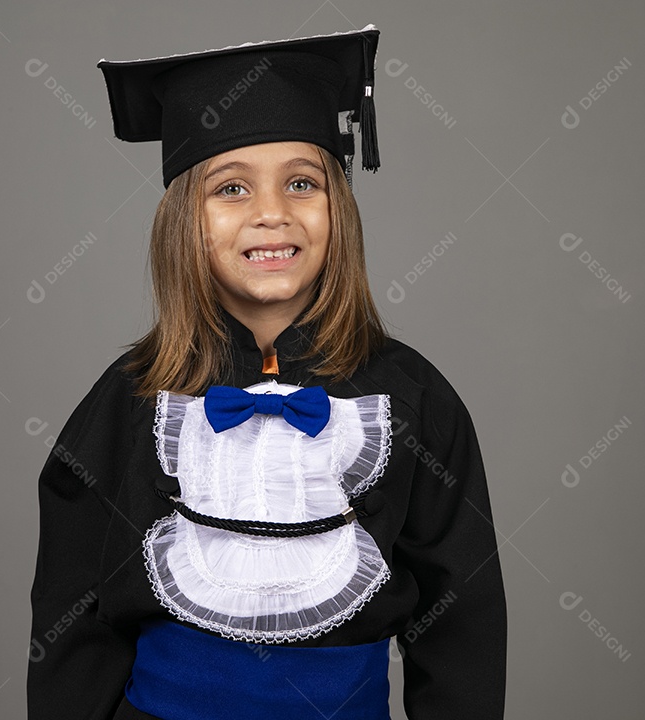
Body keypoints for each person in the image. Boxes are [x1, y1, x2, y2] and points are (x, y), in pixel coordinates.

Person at [27, 24, 507, 720]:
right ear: (183, 221)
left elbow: (461, 617)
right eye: (231, 189)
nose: (272, 214)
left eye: (302, 183)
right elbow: (73, 610)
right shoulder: (131, 398)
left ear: (339, 208)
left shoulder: (413, 398)